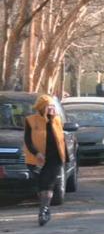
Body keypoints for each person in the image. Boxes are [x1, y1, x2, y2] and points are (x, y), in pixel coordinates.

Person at [23, 95, 67, 226]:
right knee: (41, 185)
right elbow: (28, 140)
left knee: (48, 185)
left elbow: (61, 139)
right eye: (50, 106)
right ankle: (44, 209)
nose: (53, 108)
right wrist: (37, 153)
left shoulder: (57, 120)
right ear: (42, 108)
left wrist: (66, 156)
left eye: (54, 106)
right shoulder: (30, 120)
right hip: (37, 159)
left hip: (55, 159)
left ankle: (44, 211)